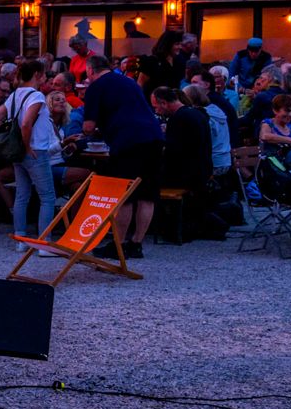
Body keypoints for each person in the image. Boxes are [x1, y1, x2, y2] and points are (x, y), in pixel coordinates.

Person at [80, 55, 164, 259]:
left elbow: (88, 127)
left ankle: (118, 244)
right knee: (146, 193)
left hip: (128, 141)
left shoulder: (96, 87)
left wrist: (88, 131)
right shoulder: (129, 82)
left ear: (90, 70)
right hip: (153, 137)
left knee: (124, 196)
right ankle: (136, 244)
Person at [0, 60, 59, 242]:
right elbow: (26, 123)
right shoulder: (37, 96)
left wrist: (11, 138)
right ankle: (43, 242)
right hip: (35, 150)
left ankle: (20, 238)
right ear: (38, 75)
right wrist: (27, 145)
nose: (46, 78)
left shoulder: (15, 95)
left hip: (17, 153)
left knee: (22, 195)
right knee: (47, 196)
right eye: (45, 74)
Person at [152, 86, 223, 240]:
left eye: (156, 106)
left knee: (146, 181)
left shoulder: (178, 119)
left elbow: (172, 153)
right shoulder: (197, 114)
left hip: (186, 175)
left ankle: (157, 226)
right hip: (202, 171)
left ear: (164, 103)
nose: (156, 111)